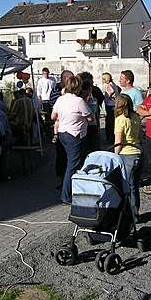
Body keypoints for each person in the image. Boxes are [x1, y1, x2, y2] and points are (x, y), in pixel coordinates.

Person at [51, 75, 93, 205]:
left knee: (69, 162)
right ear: (78, 87)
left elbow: (53, 116)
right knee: (73, 164)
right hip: (74, 134)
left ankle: (71, 189)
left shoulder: (60, 99)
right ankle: (66, 195)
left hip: (62, 132)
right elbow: (91, 118)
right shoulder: (79, 101)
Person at [113, 94, 142, 217]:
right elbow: (140, 136)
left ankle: (128, 216)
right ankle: (135, 213)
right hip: (138, 152)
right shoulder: (136, 117)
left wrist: (115, 155)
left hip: (126, 154)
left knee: (126, 187)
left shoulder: (120, 119)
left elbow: (118, 141)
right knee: (134, 185)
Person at [50, 70, 74, 188]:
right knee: (61, 155)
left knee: (68, 156)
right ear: (65, 79)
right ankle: (62, 181)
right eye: (71, 79)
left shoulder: (69, 92)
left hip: (67, 127)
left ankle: (67, 181)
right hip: (60, 127)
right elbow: (55, 112)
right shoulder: (56, 92)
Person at [78, 72, 103, 155]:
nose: (92, 83)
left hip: (93, 125)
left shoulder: (95, 91)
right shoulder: (78, 94)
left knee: (94, 148)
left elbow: (99, 101)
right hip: (82, 127)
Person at [102, 72, 120, 144]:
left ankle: (110, 139)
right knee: (113, 121)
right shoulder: (114, 84)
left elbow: (111, 92)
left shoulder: (108, 85)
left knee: (109, 122)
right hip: (114, 104)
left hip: (110, 105)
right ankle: (112, 137)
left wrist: (107, 97)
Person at [36, 67, 56, 131]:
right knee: (47, 114)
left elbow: (55, 89)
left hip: (52, 99)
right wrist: (40, 101)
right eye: (44, 73)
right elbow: (39, 92)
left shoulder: (52, 80)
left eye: (47, 73)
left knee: (52, 114)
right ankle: (47, 128)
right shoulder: (40, 81)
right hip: (45, 100)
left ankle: (52, 127)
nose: (46, 75)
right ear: (42, 73)